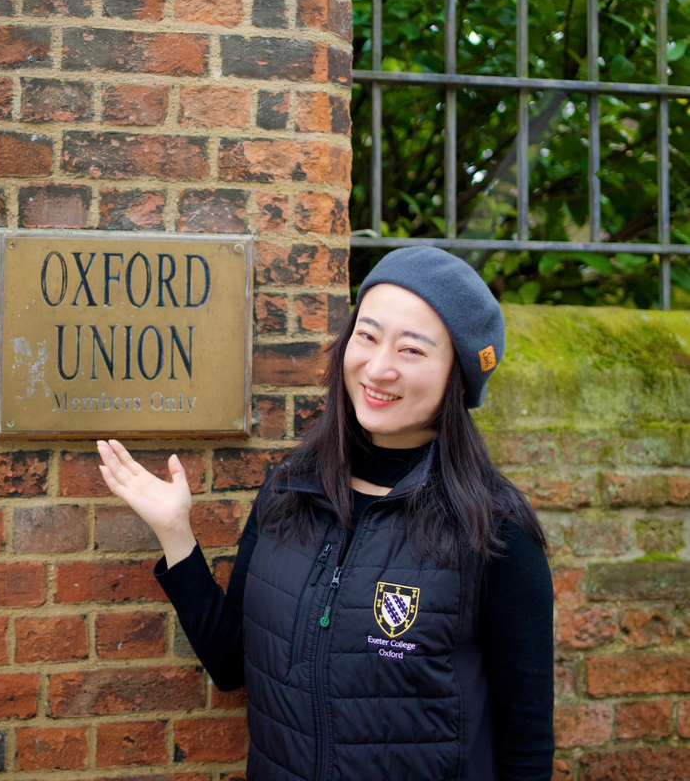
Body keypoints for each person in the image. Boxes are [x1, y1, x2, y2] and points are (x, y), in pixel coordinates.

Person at [96, 246, 555, 781]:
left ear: (457, 376)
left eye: (412, 350)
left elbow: (527, 746)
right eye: (367, 335)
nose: (379, 368)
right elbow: (230, 665)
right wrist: (175, 535)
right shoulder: (290, 490)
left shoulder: (493, 529)